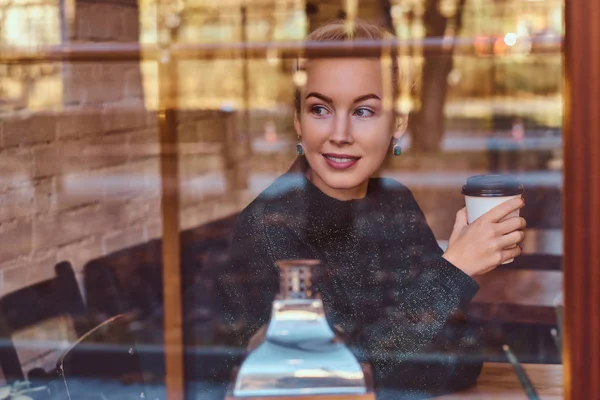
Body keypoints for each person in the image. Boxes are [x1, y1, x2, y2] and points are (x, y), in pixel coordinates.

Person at [217, 19, 526, 399]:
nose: (340, 134)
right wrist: (456, 270)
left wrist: (408, 342)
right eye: (320, 109)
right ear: (298, 120)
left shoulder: (394, 203)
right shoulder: (271, 226)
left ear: (397, 122)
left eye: (363, 111)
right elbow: (337, 379)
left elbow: (464, 353)